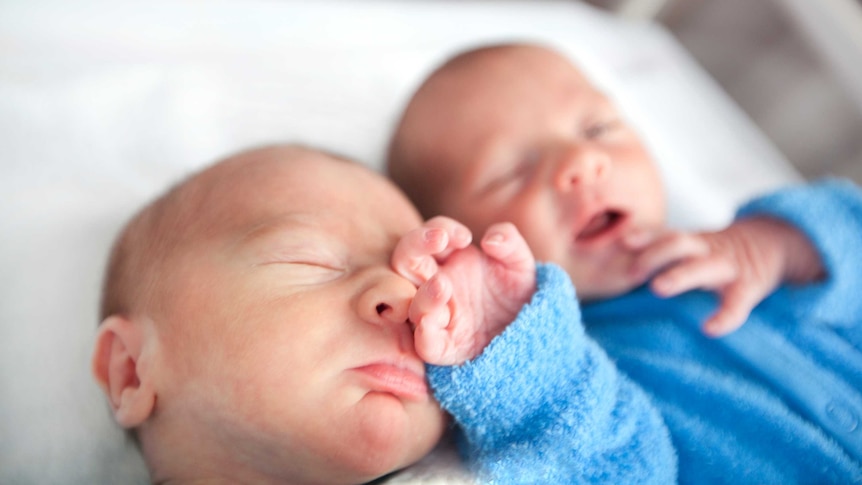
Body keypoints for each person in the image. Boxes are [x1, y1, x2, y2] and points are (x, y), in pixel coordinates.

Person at [387, 43, 862, 482]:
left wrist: (788, 243)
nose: (582, 159)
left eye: (599, 129)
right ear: (459, 247)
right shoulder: (563, 386)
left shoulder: (750, 258)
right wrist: (517, 362)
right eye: (513, 173)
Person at [90, 144, 676, 484]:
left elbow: (623, 469)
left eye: (426, 281)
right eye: (310, 260)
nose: (406, 301)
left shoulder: (486, 465)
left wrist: (523, 363)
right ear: (132, 370)